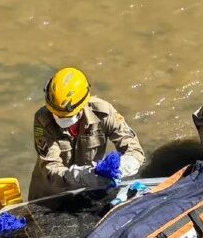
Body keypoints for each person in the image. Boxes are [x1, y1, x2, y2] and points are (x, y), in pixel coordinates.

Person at [28, 67, 145, 200]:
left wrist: (123, 165)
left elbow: (134, 150)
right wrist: (85, 175)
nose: (58, 118)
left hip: (89, 192)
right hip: (50, 194)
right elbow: (51, 169)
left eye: (66, 116)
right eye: (55, 113)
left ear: (82, 105)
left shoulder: (104, 113)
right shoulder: (43, 120)